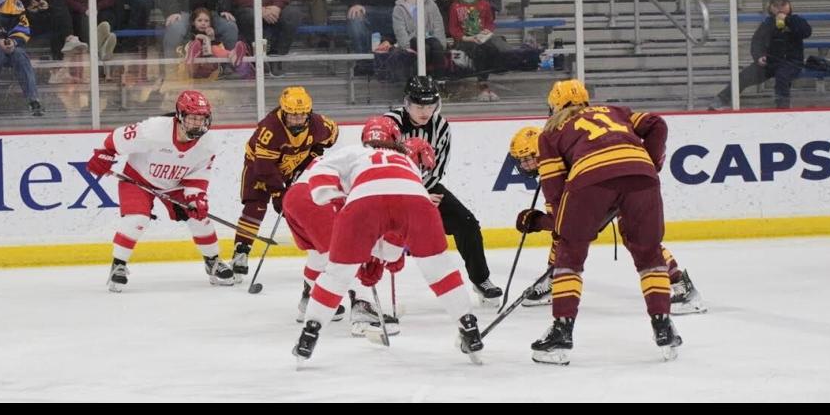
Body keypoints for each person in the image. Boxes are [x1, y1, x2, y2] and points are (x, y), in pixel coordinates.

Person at [291, 115, 484, 364]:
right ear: (396, 139)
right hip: (417, 202)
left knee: (336, 275)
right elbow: (394, 223)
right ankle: (468, 325)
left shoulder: (355, 151)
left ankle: (310, 331)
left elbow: (321, 171)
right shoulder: (406, 160)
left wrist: (333, 197)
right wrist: (383, 259)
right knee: (441, 271)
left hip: (363, 201)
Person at [516, 79, 679, 364]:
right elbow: (656, 124)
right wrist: (650, 164)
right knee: (649, 253)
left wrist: (544, 222)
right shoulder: (616, 111)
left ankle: (561, 332)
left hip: (590, 179)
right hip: (641, 176)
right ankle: (663, 325)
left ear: (553, 106)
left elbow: (557, 196)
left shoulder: (550, 132)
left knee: (570, 253)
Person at [84, 90, 239, 290]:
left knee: (200, 218)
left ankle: (213, 261)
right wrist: (104, 154)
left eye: (202, 119)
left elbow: (198, 174)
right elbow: (117, 138)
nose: (197, 123)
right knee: (137, 219)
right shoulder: (155, 130)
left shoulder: (208, 143)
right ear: (180, 116)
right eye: (192, 118)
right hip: (138, 179)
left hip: (175, 185)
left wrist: (196, 198)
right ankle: (118, 265)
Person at [385, 75, 503, 302]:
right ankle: (359, 296)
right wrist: (416, 196)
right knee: (367, 236)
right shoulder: (390, 123)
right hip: (390, 192)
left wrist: (423, 195)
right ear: (407, 103)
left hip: (428, 189)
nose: (425, 112)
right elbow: (380, 167)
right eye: (420, 106)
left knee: (467, 223)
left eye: (430, 106)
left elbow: (437, 170)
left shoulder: (440, 127)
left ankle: (481, 280)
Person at [233, 85, 339, 274]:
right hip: (258, 166)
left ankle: (319, 252)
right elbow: (264, 168)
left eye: (302, 115)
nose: (297, 120)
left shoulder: (319, 125)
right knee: (256, 205)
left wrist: (315, 150)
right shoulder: (270, 129)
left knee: (298, 208)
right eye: (292, 115)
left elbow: (332, 135)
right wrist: (278, 193)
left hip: (291, 166)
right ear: (283, 112)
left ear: (309, 113)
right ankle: (241, 251)